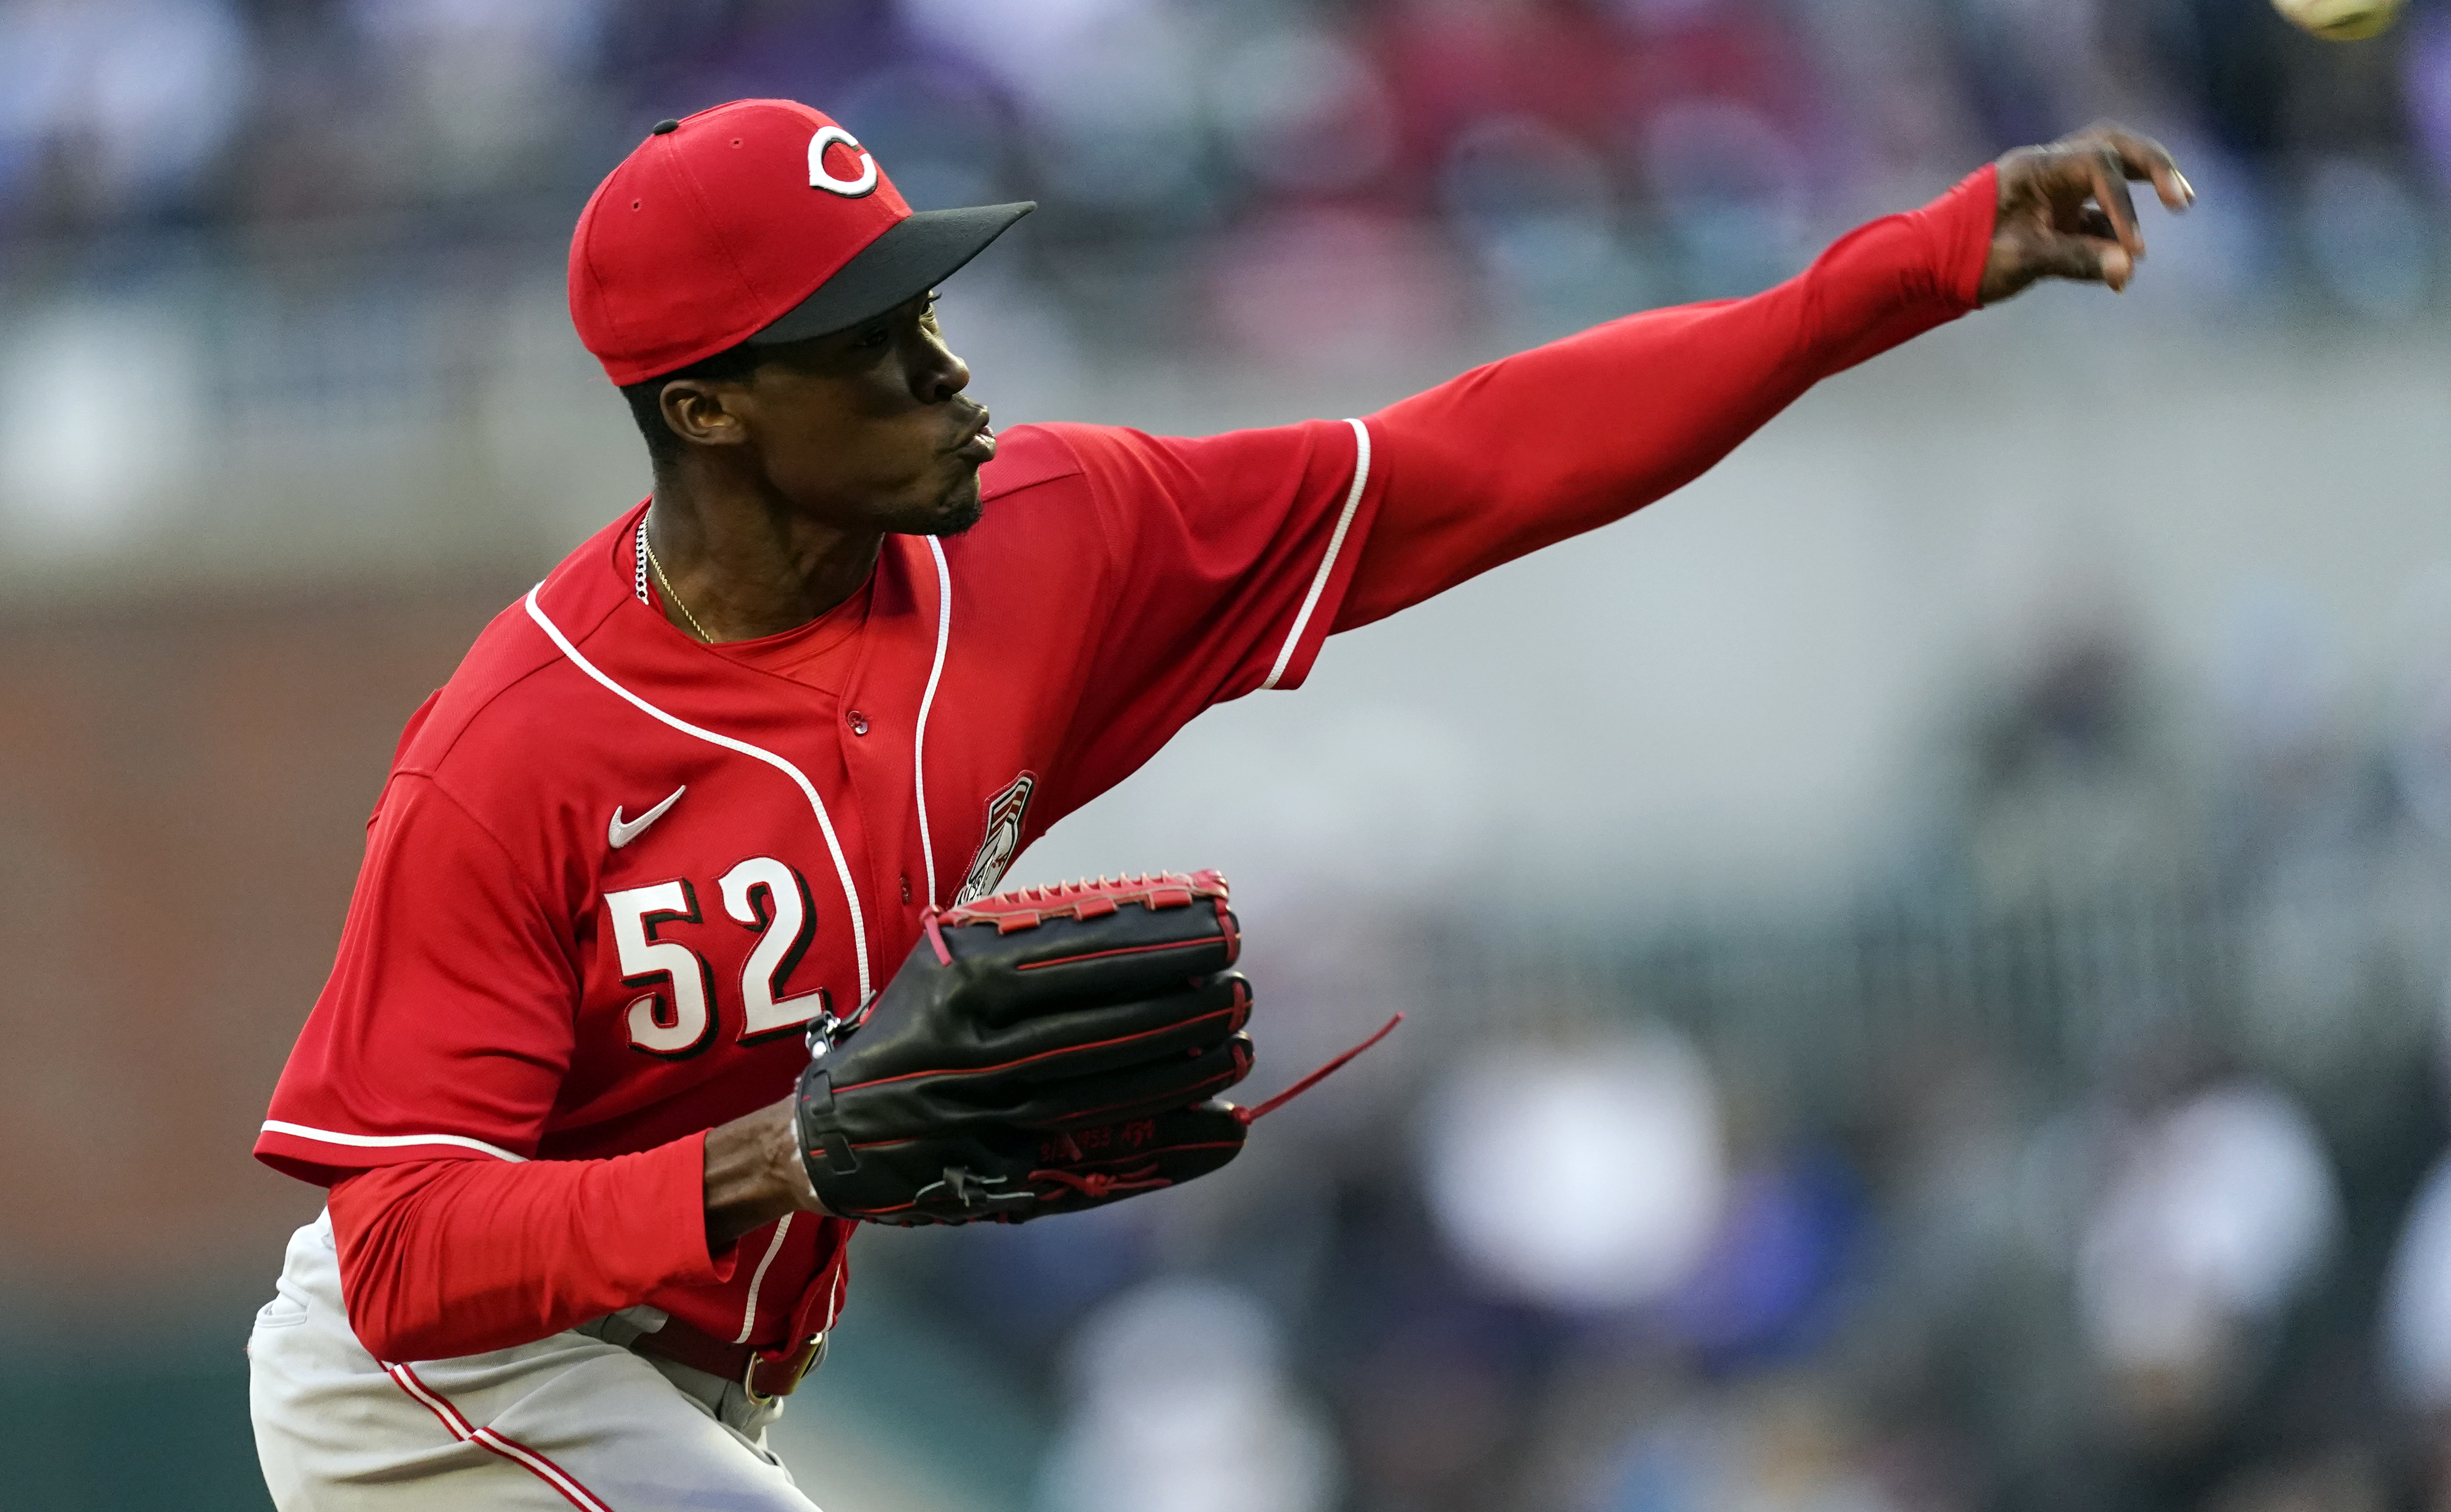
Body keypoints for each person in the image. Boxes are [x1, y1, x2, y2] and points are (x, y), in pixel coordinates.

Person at [245, 97, 2190, 1509]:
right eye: (878, 345)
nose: (951, 377)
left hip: (676, 1379)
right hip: (433, 1393)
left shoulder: (1052, 538)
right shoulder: (515, 751)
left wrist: (1914, 269)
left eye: (930, 311)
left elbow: (1470, 464)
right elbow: (405, 1250)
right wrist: (787, 1160)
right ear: (712, 406)